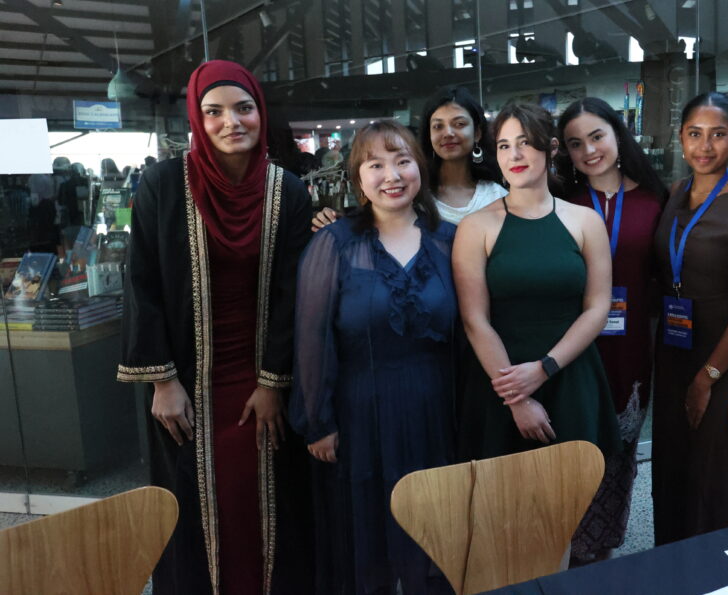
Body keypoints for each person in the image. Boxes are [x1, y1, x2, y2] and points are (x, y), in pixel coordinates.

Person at [118, 60, 313, 594]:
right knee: (192, 506)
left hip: (260, 381)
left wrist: (273, 384)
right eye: (214, 112)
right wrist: (162, 381)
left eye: (243, 108)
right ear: (196, 119)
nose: (232, 122)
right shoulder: (163, 184)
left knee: (262, 501)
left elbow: (293, 295)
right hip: (184, 382)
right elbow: (141, 283)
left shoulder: (287, 192)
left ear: (260, 113)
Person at [289, 120, 458, 595]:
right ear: (358, 179)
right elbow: (312, 337)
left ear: (420, 168)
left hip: (437, 410)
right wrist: (318, 420)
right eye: (376, 165)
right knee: (367, 543)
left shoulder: (450, 240)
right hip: (361, 413)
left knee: (437, 535)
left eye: (403, 161)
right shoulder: (335, 243)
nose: (392, 175)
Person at [454, 102, 620, 462]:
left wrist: (546, 368)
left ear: (552, 147)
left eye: (525, 142)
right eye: (504, 145)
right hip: (502, 380)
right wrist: (517, 397)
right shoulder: (476, 227)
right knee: (503, 493)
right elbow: (475, 320)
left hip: (570, 375)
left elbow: (597, 308)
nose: (514, 155)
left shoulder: (585, 221)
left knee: (576, 488)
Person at [652, 92, 728, 544]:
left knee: (715, 472)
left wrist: (707, 377)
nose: (705, 146)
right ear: (681, 139)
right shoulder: (675, 193)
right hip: (675, 349)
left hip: (726, 357)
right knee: (673, 465)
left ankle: (719, 567)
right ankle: (673, 565)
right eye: (695, 134)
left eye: (718, 134)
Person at [555, 97, 666, 565]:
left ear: (618, 134)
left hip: (630, 346)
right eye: (575, 143)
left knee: (619, 456)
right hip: (573, 348)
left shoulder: (655, 200)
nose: (589, 150)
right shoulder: (560, 202)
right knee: (575, 456)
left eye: (596, 136)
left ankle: (601, 553)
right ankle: (566, 552)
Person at [311, 86, 505, 230]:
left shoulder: (497, 196)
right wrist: (339, 222)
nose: (448, 133)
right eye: (438, 126)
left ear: (477, 133)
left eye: (459, 124)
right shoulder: (411, 192)